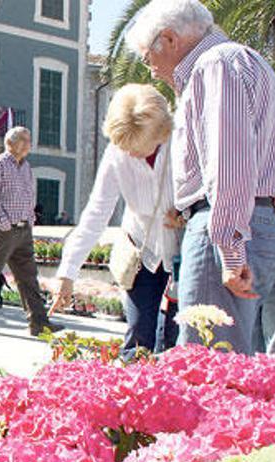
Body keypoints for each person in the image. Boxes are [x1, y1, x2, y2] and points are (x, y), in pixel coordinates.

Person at [128, 0, 275, 354]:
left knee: (211, 365)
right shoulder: (247, 62)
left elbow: (229, 163)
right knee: (257, 371)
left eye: (146, 56)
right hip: (263, 222)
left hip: (227, 224)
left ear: (168, 39)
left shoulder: (215, 65)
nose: (149, 69)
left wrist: (229, 251)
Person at [49, 84, 182, 357]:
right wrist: (67, 272)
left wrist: (187, 214)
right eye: (125, 147)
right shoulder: (116, 152)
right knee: (137, 337)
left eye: (138, 148)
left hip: (183, 252)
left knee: (176, 338)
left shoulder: (182, 140)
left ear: (161, 133)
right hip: (141, 253)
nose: (131, 154)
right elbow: (97, 212)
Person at [0, 127, 64, 336]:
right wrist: (4, 224)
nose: (29, 144)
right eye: (25, 140)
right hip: (3, 230)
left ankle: (39, 322)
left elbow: (29, 196)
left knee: (29, 277)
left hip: (23, 230)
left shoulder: (26, 166)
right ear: (12, 143)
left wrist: (29, 220)